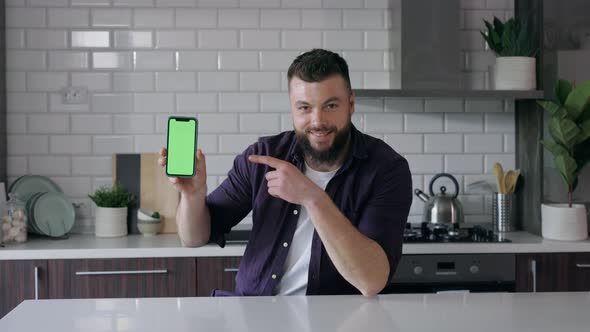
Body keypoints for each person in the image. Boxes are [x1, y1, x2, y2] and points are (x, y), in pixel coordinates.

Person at [158, 49, 412, 297]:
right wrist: (193, 196)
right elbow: (193, 238)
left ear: (351, 104)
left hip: (336, 320)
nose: (318, 121)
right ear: (292, 109)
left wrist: (312, 197)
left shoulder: (386, 169)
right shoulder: (263, 156)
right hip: (256, 315)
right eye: (304, 107)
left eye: (331, 105)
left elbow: (371, 281)